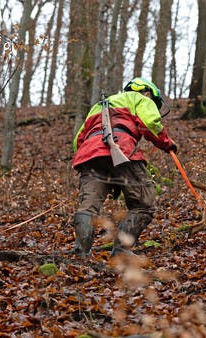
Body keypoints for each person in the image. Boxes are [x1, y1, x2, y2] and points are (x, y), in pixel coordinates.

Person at [70, 77, 177, 257]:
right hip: (123, 148)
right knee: (144, 203)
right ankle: (121, 251)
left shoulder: (98, 106)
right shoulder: (141, 99)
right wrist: (167, 144)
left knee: (88, 207)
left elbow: (78, 140)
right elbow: (150, 123)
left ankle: (81, 253)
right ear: (148, 92)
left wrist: (89, 159)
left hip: (90, 155)